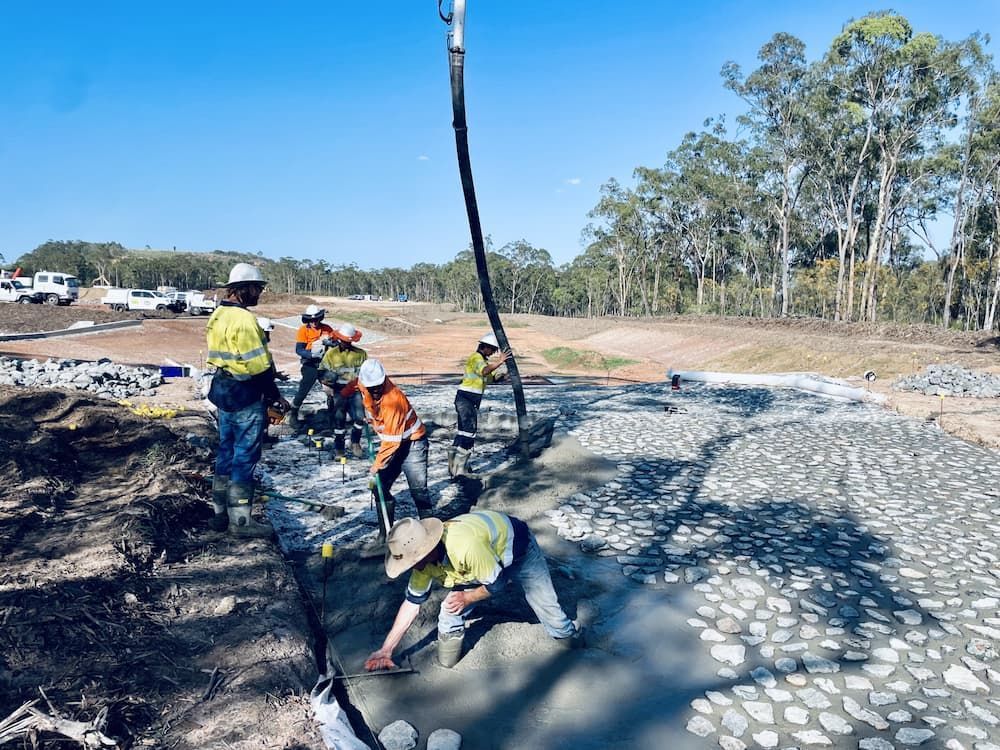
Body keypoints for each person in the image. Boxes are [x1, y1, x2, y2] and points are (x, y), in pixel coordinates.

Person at [364, 511, 584, 671]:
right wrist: (386, 649)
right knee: (449, 610)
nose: (413, 566)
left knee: (547, 606)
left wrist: (467, 597)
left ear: (428, 548)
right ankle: (448, 656)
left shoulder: (465, 546)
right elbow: (411, 603)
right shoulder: (422, 565)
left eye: (415, 560)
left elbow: (498, 584)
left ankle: (572, 638)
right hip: (471, 567)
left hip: (518, 550)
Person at [205, 263, 289, 537]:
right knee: (244, 457)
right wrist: (275, 396)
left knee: (225, 453)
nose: (260, 294)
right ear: (244, 289)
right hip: (245, 394)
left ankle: (219, 516)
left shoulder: (218, 315)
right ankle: (241, 523)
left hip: (223, 389)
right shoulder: (244, 320)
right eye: (258, 288)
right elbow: (260, 367)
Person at [357, 359, 432, 535]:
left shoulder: (394, 400)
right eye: (371, 387)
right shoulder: (363, 384)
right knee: (379, 488)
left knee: (419, 491)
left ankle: (430, 533)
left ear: (384, 379)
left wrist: (377, 464)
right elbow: (359, 390)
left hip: (413, 445)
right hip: (395, 444)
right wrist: (373, 419)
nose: (375, 390)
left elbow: (392, 441)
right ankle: (385, 535)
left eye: (378, 386)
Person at [449, 332, 511, 478]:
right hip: (466, 400)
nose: (493, 353)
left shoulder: (481, 360)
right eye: (493, 350)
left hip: (468, 400)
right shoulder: (476, 358)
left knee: (463, 432)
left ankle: (455, 466)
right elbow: (484, 371)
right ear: (485, 347)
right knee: (468, 433)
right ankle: (460, 469)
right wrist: (500, 361)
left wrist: (505, 375)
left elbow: (490, 378)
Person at [318, 323, 367, 459]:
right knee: (339, 420)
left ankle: (355, 442)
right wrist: (326, 382)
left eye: (348, 342)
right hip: (339, 390)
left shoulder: (361, 354)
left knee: (359, 417)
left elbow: (366, 374)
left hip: (355, 390)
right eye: (344, 341)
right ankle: (339, 448)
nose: (345, 344)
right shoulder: (331, 354)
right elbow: (321, 372)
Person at [288, 305, 334, 430]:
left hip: (325, 364)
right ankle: (293, 413)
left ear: (320, 318)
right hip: (310, 364)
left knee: (331, 389)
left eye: (316, 319)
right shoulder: (304, 330)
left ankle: (332, 415)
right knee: (305, 387)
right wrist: (310, 354)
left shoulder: (327, 329)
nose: (314, 322)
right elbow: (299, 349)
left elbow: (335, 344)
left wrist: (331, 344)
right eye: (311, 320)